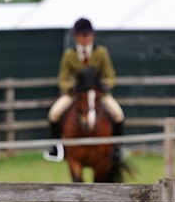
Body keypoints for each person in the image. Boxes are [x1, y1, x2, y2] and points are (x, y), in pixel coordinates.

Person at [45, 17, 125, 163]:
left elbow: (110, 74)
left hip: (97, 93)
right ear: (76, 36)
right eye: (83, 35)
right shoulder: (69, 55)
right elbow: (63, 77)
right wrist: (70, 87)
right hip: (76, 93)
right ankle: (56, 148)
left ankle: (118, 148)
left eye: (88, 35)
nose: (86, 38)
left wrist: (106, 85)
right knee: (54, 114)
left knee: (118, 114)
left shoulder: (101, 52)